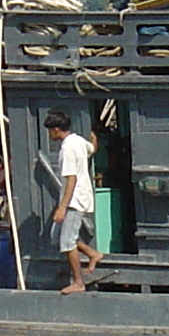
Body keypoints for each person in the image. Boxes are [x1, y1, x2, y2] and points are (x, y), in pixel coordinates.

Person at [45, 108, 100, 293]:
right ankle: (92, 253)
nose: (50, 134)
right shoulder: (78, 140)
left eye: (50, 130)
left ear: (56, 130)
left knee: (67, 242)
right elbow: (92, 148)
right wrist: (94, 138)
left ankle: (79, 282)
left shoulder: (67, 148)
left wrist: (62, 208)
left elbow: (71, 179)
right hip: (76, 198)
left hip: (74, 201)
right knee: (58, 236)